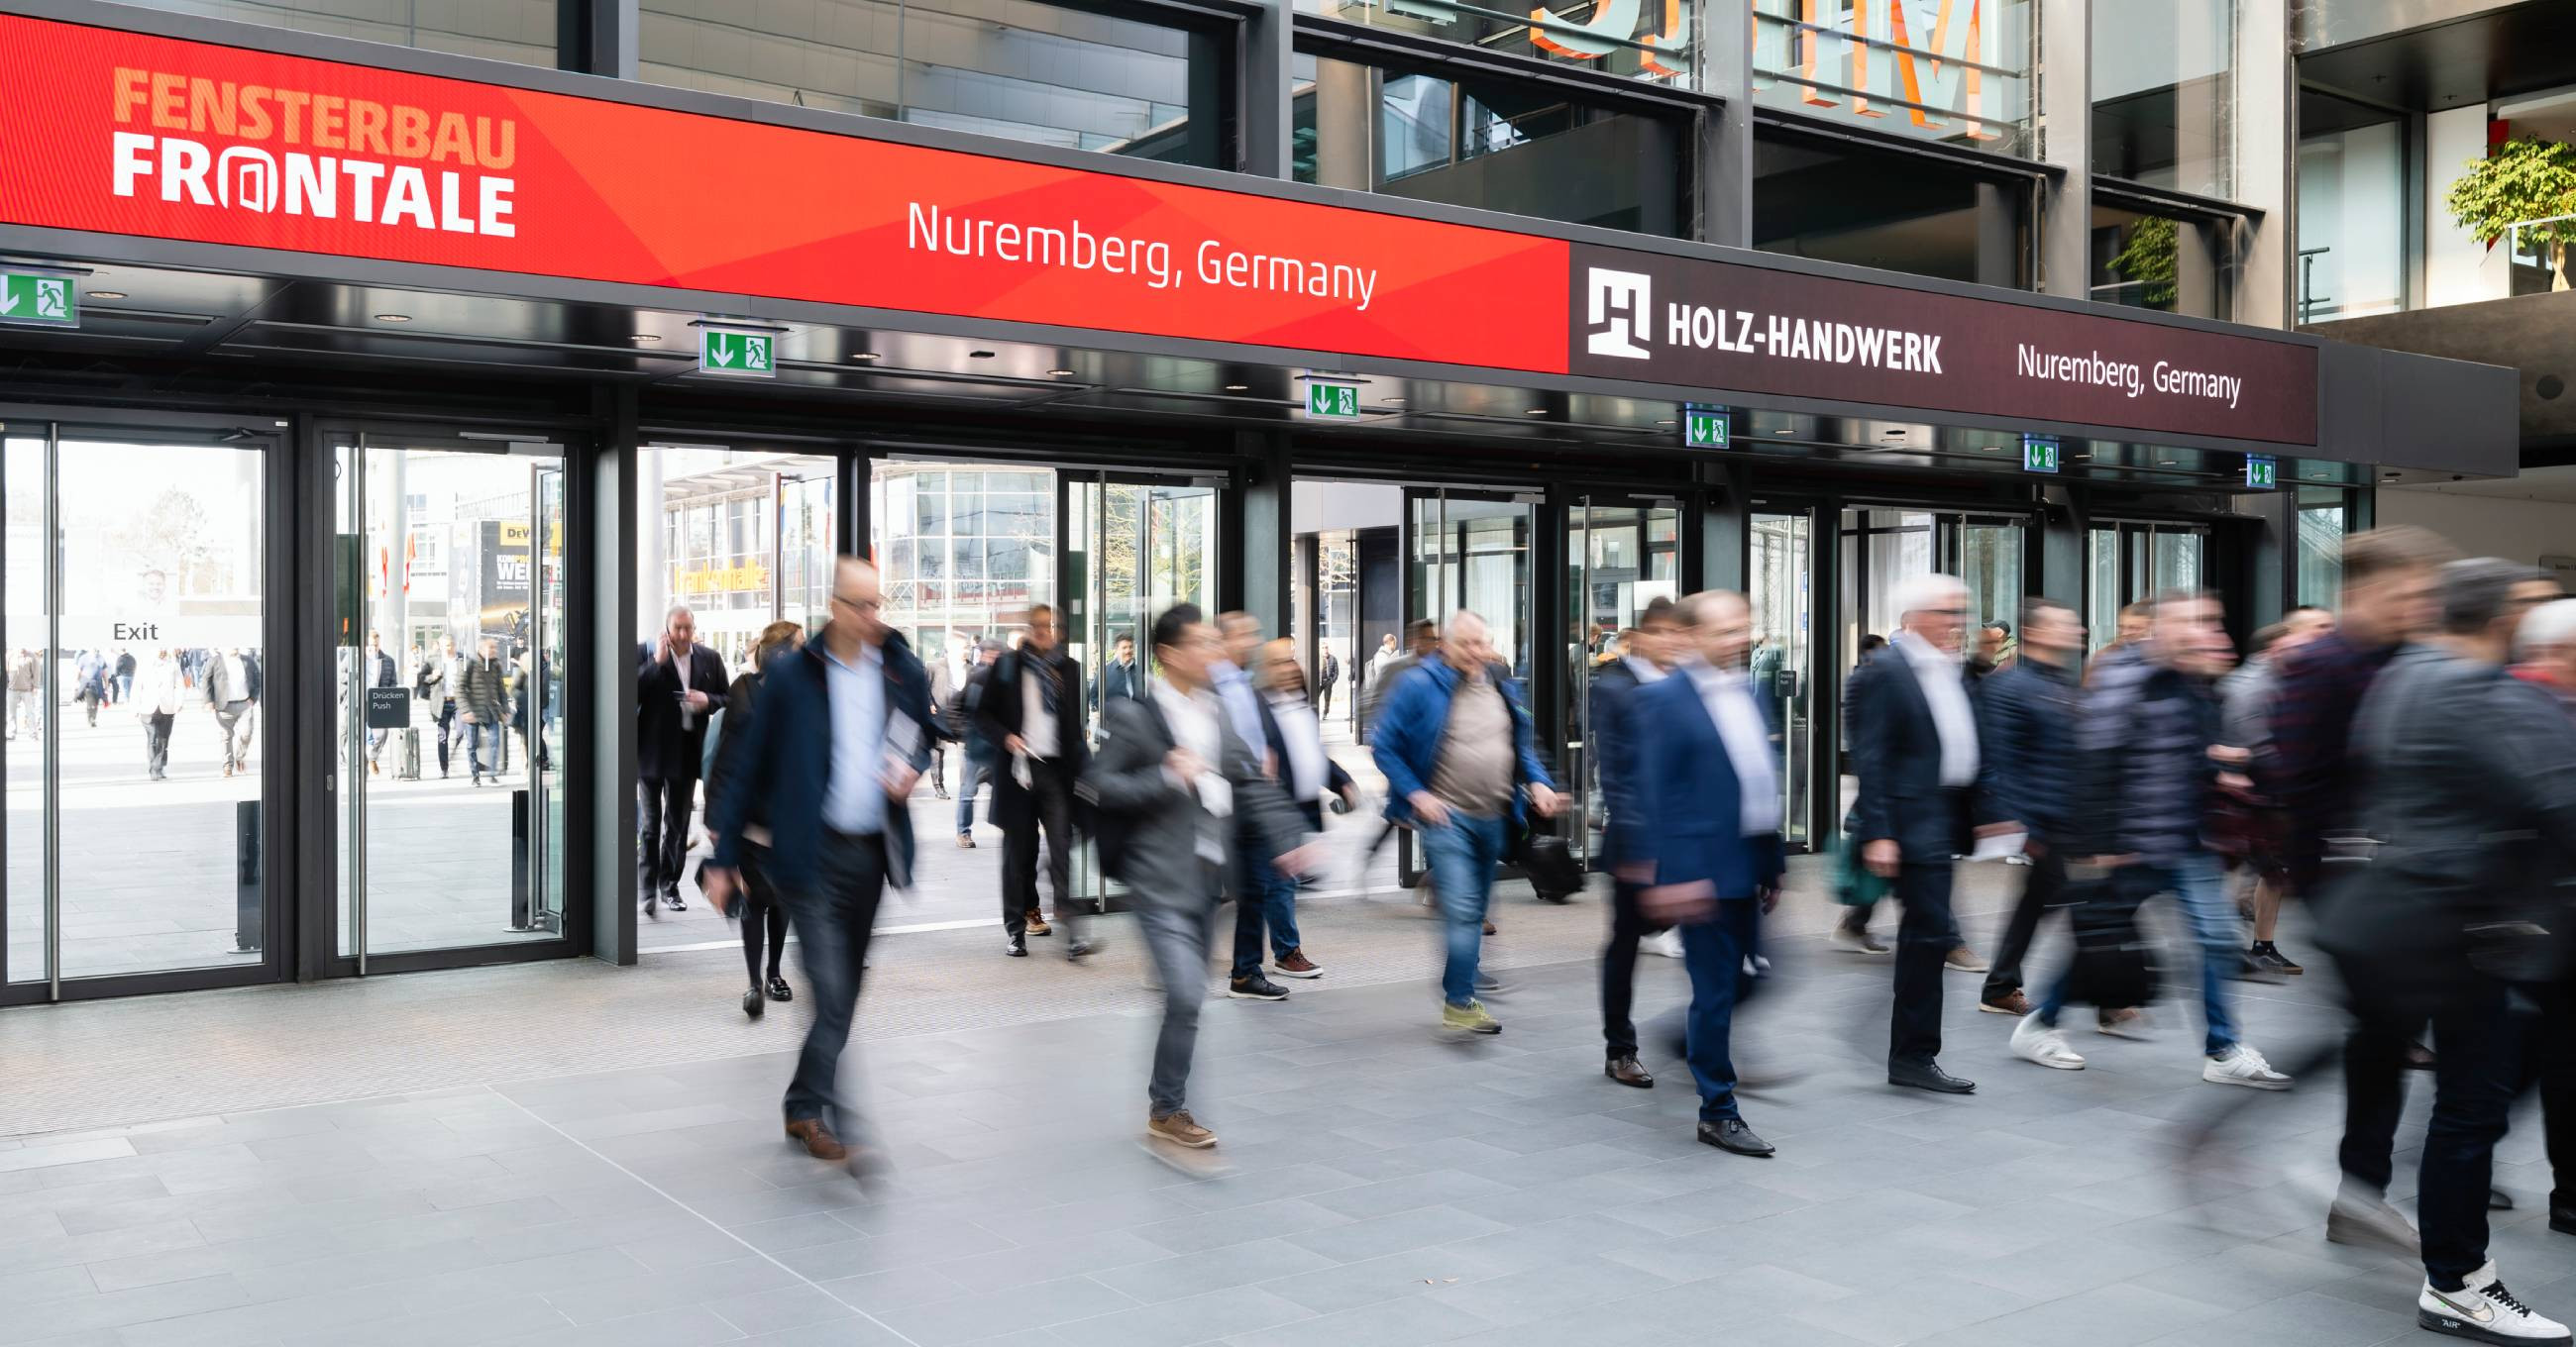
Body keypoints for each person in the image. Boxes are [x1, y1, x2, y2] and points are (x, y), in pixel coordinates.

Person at [2323, 559, 2576, 1343]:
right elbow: (2551, 797)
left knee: (2468, 1105)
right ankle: (2459, 1282)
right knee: (2470, 1111)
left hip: (2421, 918)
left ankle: (2443, 1261)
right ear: (2502, 617)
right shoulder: (2475, 690)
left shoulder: (2407, 674)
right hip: (2464, 930)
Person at [2011, 590, 2294, 1088]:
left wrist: (2223, 767)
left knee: (2212, 939)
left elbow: (2183, 754)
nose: (2206, 630)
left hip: (2186, 841)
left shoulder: (2198, 683)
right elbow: (2095, 762)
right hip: (2131, 844)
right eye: (2194, 621)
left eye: (2210, 620)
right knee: (2096, 943)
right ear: (2162, 627)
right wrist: (2094, 845)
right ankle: (2040, 1024)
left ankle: (2223, 1049)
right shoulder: (2127, 679)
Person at [702, 558, 931, 1165]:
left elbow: (922, 726)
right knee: (830, 991)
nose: (871, 616)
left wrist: (914, 764)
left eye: (877, 604)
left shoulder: (893, 668)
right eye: (860, 605)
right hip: (809, 857)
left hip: (868, 855)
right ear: (834, 606)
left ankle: (803, 1103)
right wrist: (724, 858)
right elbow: (747, 768)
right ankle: (841, 1118)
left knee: (846, 992)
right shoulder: (794, 679)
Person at [2271, 526, 2456, 1254]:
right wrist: (2340, 884)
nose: (2417, 605)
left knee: (2385, 1037)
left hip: (2399, 881)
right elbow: (2300, 784)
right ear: (2364, 591)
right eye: (2405, 592)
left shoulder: (2411, 658)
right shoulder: (2321, 665)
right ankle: (2360, 1184)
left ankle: (2366, 1184)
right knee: (2381, 1036)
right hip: (2348, 886)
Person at [1085, 604, 1316, 1151]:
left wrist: (1291, 839)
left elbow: (1252, 784)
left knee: (1187, 998)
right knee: (1187, 993)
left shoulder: (1219, 713)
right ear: (1169, 655)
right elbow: (1098, 785)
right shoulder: (1135, 716)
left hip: (1207, 881)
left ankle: (1167, 1106)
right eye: (1203, 644)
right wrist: (1166, 775)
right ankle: (1169, 1108)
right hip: (1156, 879)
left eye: (1217, 643)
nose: (1215, 654)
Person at [1635, 590, 1785, 1155]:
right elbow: (1659, 795)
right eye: (1725, 631)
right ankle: (1717, 1110)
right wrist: (1675, 875)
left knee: (1758, 977)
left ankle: (1686, 1040)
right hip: (1699, 874)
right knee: (1717, 992)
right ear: (1694, 636)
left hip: (1747, 864)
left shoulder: (1748, 689)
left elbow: (1756, 778)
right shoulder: (1666, 700)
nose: (1738, 638)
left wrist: (1771, 859)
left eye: (1743, 628)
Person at [1371, 609, 1560, 1035]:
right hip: (1447, 818)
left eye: (1481, 642)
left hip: (1493, 816)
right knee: (1461, 909)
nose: (1477, 652)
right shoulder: (1419, 684)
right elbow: (1384, 746)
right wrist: (1417, 794)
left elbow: (1519, 743)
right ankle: (1459, 1000)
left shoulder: (1496, 682)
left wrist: (1539, 782)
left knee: (1474, 911)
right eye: (1467, 644)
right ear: (1445, 645)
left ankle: (1462, 981)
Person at [1848, 573, 1982, 1093]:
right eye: (1949, 614)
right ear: (1918, 616)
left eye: (1960, 614)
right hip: (1908, 825)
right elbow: (1872, 756)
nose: (1958, 624)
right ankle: (1912, 1055)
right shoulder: (1888, 671)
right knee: (1927, 938)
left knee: (1928, 938)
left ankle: (1913, 1050)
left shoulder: (1949, 670)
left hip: (1941, 819)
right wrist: (1879, 831)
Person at [1971, 598, 2084, 1017]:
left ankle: (2000, 985)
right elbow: (1999, 757)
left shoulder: (2064, 684)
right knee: (2082, 905)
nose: (2076, 631)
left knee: (2041, 902)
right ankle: (2106, 997)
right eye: (2063, 624)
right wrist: (2018, 821)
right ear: (2034, 632)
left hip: (2064, 817)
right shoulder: (2009, 687)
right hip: (2040, 821)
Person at [2223, 604, 2333, 975]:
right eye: (2318, 629)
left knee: (2270, 872)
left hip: (2263, 796)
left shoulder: (2284, 679)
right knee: (2260, 871)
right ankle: (2236, 945)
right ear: (2281, 642)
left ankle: (2258, 945)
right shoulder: (2255, 685)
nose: (2325, 637)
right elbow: (2257, 746)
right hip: (2249, 798)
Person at [703, 620, 806, 1018]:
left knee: (781, 902)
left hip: (786, 821)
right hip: (748, 819)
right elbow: (724, 761)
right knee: (753, 900)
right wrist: (716, 818)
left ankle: (774, 972)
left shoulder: (804, 695)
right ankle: (752, 981)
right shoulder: (743, 692)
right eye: (798, 646)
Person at [1235, 639, 1352, 985]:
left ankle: (1265, 949)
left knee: (1274, 886)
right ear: (1265, 670)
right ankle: (1286, 952)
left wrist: (1343, 782)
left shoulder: (1304, 709)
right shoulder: (1258, 710)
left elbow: (1314, 756)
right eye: (1278, 662)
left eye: (1290, 660)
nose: (1288, 667)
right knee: (1279, 885)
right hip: (1273, 810)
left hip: (1299, 811)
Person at [978, 603, 1092, 957]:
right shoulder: (1008, 666)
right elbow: (982, 714)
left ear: (1059, 630)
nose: (1044, 630)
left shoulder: (1068, 669)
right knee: (1018, 855)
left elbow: (1074, 726)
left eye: (1051, 625)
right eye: (1038, 625)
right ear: (1028, 628)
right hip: (1018, 774)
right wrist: (1007, 737)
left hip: (1055, 773)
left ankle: (1072, 931)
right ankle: (1016, 931)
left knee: (1061, 848)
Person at [1596, 599, 1678, 1088]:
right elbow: (1616, 773)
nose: (1673, 643)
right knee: (1625, 942)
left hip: (1685, 839)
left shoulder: (1682, 683)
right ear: (1643, 635)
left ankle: (1698, 1037)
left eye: (1678, 634)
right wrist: (1637, 846)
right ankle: (1619, 1049)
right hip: (1638, 843)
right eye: (1664, 633)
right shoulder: (1615, 686)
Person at [1213, 612, 1294, 1002]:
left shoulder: (1247, 686)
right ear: (1224, 641)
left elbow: (1263, 736)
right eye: (1245, 635)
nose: (1252, 642)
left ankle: (1245, 972)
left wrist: (1269, 757)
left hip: (1252, 803)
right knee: (1209, 891)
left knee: (1255, 890)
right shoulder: (1210, 686)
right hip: (1219, 805)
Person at [637, 606, 726, 916]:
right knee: (650, 826)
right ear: (666, 629)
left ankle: (669, 887)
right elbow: (629, 692)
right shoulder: (646, 654)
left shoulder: (709, 658)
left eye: (688, 628)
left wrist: (708, 700)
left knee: (676, 825)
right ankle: (646, 889)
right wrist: (656, 663)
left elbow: (727, 697)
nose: (683, 635)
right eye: (677, 629)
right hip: (651, 753)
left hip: (687, 754)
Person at [950, 639, 1001, 848]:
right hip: (975, 747)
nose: (993, 659)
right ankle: (963, 832)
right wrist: (964, 733)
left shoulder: (1005, 682)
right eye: (990, 655)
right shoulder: (977, 678)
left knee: (1006, 791)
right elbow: (955, 707)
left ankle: (1012, 827)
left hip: (997, 748)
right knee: (968, 792)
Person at [455, 636, 510, 789]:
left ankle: (492, 774)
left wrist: (505, 710)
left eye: (495, 647)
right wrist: (465, 710)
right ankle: (475, 776)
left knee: (495, 742)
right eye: (491, 647)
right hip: (473, 712)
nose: (494, 650)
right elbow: (459, 688)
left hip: (491, 711)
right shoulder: (469, 663)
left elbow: (501, 690)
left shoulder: (496, 666)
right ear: (481, 649)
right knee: (472, 745)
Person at [926, 630, 970, 802]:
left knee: (964, 756)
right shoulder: (934, 666)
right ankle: (939, 788)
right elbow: (924, 687)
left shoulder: (970, 668)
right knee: (937, 756)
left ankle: (965, 788)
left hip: (961, 719)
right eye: (963, 647)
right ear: (950, 648)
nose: (966, 651)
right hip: (939, 717)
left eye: (967, 647)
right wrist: (929, 704)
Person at [203, 645, 256, 778]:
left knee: (247, 733)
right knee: (225, 736)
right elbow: (206, 680)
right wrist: (208, 700)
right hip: (223, 706)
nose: (236, 647)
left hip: (244, 704)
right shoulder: (215, 661)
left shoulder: (247, 661)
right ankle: (227, 767)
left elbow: (257, 678)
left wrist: (253, 698)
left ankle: (239, 756)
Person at [135, 648, 180, 780]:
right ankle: (154, 768)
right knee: (152, 737)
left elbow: (180, 686)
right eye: (159, 648)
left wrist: (178, 703)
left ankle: (159, 766)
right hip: (147, 708)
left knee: (163, 739)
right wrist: (134, 707)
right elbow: (137, 686)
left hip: (167, 708)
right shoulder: (144, 666)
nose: (162, 651)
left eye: (165, 648)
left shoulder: (173, 665)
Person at [419, 637, 462, 778]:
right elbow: (421, 678)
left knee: (461, 732)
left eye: (450, 645)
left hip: (458, 703)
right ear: (440, 647)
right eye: (445, 646)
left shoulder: (462, 659)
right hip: (442, 704)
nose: (448, 648)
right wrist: (432, 676)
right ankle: (444, 768)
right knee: (442, 737)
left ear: (454, 645)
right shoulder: (433, 660)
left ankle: (452, 755)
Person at [358, 632, 397, 776]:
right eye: (369, 644)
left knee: (382, 734)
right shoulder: (356, 658)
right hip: (360, 702)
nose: (372, 648)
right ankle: (363, 771)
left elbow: (393, 683)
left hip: (379, 702)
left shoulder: (388, 661)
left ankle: (372, 757)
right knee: (362, 736)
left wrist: (389, 698)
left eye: (375, 644)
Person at [1098, 633, 1146, 708]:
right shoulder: (1106, 671)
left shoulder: (1141, 670)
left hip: (1137, 717)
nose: (1128, 650)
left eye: (1130, 647)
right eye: (1124, 648)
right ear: (1116, 650)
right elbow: (1094, 695)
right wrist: (1108, 712)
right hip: (1114, 718)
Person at [7, 648, 40, 741]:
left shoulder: (32, 656)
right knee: (11, 713)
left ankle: (33, 734)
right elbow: (6, 670)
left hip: (27, 690)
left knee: (30, 713)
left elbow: (36, 673)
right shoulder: (10, 655)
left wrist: (35, 686)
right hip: (12, 689)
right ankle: (11, 733)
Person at [74, 648, 107, 727]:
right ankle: (91, 719)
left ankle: (93, 718)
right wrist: (76, 683)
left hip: (98, 684)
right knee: (90, 702)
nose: (96, 650)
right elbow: (79, 671)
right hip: (87, 684)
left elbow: (104, 672)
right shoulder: (83, 658)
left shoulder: (101, 658)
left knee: (96, 703)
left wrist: (106, 684)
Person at [1317, 648, 1341, 717]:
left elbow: (1336, 672)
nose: (1325, 649)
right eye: (1323, 648)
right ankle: (1315, 712)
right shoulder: (1318, 658)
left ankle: (1325, 712)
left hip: (1328, 682)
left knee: (1327, 699)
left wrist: (1332, 681)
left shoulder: (1333, 658)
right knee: (1315, 698)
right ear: (1321, 650)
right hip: (1319, 682)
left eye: (1326, 648)